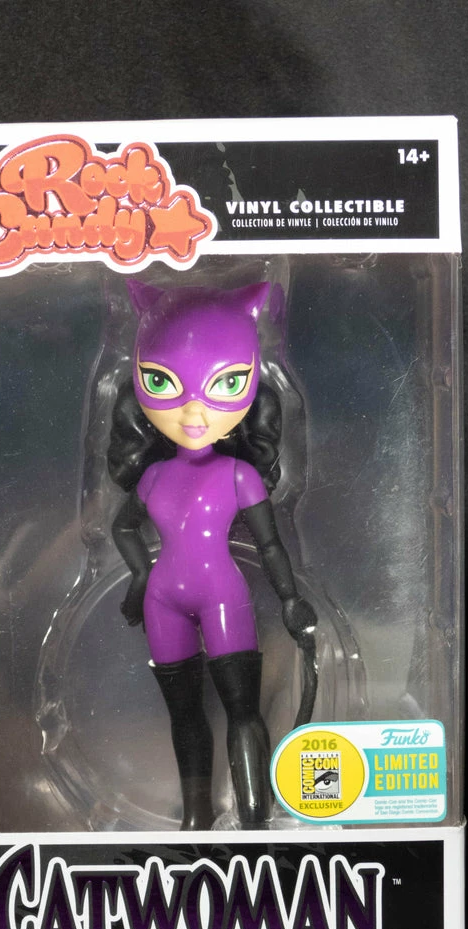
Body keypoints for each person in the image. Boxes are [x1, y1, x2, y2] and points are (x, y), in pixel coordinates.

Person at [109, 281, 316, 829]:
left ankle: (254, 817)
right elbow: (122, 527)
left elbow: (269, 544)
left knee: (242, 708)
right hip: (162, 600)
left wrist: (290, 599)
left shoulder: (238, 474)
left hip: (223, 593)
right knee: (184, 714)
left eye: (226, 384)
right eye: (162, 382)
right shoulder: (153, 476)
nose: (194, 411)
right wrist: (140, 574)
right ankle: (196, 816)